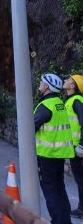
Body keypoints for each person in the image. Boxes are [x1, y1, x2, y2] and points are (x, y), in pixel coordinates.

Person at [34, 73, 74, 224]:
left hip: (47, 155)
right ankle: (65, 221)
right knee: (59, 189)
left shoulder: (46, 106)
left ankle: (59, 221)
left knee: (51, 192)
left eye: (42, 82)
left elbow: (30, 126)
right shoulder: (59, 103)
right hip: (58, 155)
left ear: (47, 87)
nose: (40, 83)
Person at [64, 74, 83, 219]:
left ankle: (82, 209)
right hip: (74, 148)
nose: (65, 81)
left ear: (73, 86)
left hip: (78, 149)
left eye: (69, 80)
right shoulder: (71, 101)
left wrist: (81, 145)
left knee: (81, 179)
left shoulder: (77, 101)